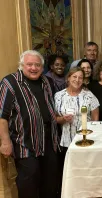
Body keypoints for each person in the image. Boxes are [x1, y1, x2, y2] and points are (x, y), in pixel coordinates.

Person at [0, 50, 60, 198]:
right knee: (29, 182)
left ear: (42, 67)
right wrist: (5, 141)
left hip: (49, 140)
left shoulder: (47, 81)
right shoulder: (10, 82)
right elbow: (2, 116)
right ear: (21, 65)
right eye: (29, 64)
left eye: (37, 65)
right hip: (25, 143)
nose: (34, 68)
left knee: (50, 180)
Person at [55, 67, 99, 154]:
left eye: (80, 77)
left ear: (83, 80)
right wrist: (63, 119)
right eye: (74, 77)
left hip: (86, 140)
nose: (77, 80)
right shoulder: (59, 96)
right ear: (68, 78)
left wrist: (90, 136)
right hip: (66, 141)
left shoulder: (89, 95)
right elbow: (55, 118)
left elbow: (95, 119)